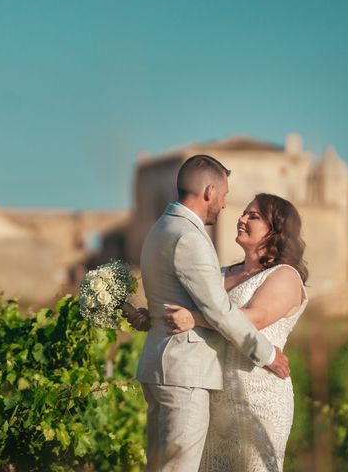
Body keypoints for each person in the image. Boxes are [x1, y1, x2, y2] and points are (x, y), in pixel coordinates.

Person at [121, 155, 290, 472]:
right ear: (210, 191)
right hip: (183, 373)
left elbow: (171, 299)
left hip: (161, 365)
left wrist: (151, 317)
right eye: (225, 196)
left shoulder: (161, 228)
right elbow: (219, 310)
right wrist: (267, 354)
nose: (225, 206)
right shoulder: (190, 237)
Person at [161, 193, 308, 471]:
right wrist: (149, 313)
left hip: (259, 396)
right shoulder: (220, 273)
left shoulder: (285, 275)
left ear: (276, 230)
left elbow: (254, 319)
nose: (241, 219)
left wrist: (194, 318)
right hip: (213, 397)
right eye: (243, 213)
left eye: (253, 216)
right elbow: (179, 308)